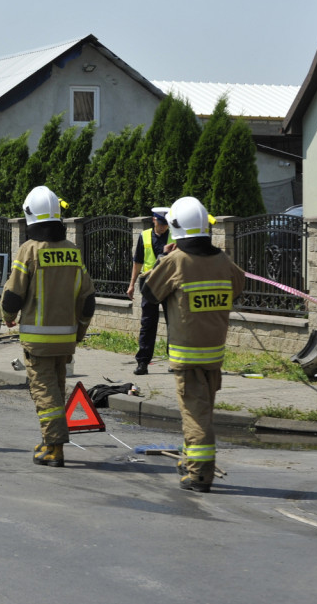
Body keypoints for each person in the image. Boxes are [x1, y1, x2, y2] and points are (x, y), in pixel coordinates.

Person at [142, 196, 245, 493]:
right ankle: (189, 459)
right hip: (214, 352)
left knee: (195, 414)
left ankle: (199, 474)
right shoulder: (222, 259)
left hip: (187, 355)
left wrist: (162, 261)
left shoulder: (176, 260)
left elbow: (148, 293)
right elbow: (238, 286)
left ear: (175, 227)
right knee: (201, 410)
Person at [1, 187, 95, 467]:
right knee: (55, 390)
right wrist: (79, 332)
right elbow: (88, 300)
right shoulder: (73, 252)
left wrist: (7, 316)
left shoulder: (29, 250)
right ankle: (48, 440)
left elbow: (13, 295)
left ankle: (54, 448)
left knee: (44, 393)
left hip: (37, 342)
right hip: (66, 340)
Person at [126, 207, 174, 375]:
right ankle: (143, 362)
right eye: (161, 224)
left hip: (169, 284)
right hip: (149, 284)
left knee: (173, 323)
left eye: (166, 224)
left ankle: (174, 361)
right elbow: (138, 262)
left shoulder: (173, 236)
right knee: (147, 324)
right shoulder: (144, 235)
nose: (163, 227)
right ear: (154, 220)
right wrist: (131, 284)